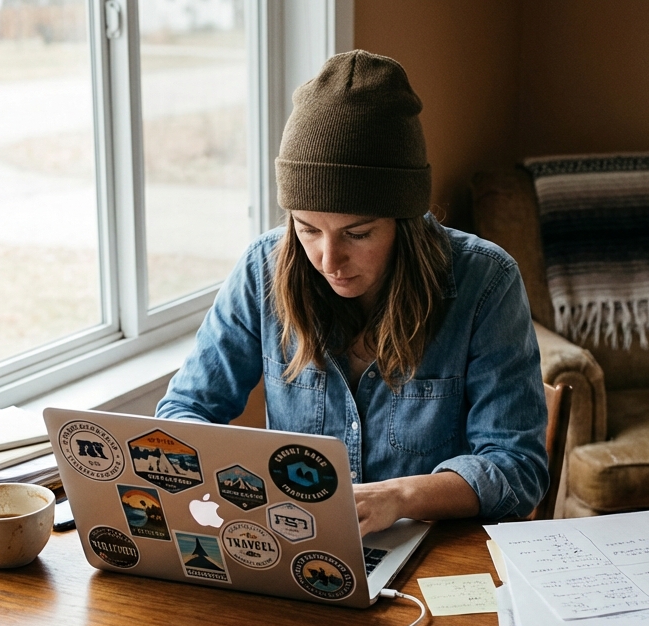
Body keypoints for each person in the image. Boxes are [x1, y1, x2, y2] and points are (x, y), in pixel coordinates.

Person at [156, 50, 548, 535]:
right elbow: (184, 412)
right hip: (296, 546)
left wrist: (400, 496)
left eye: (357, 234)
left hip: (432, 551)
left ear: (404, 222)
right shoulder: (264, 267)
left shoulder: (485, 283)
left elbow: (517, 468)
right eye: (307, 228)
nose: (327, 259)